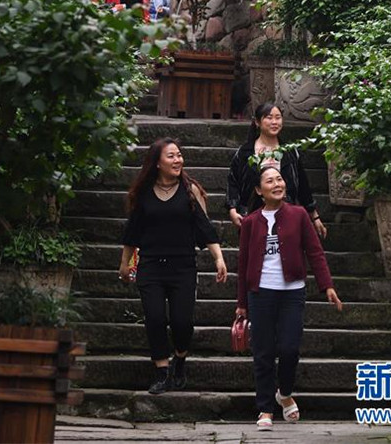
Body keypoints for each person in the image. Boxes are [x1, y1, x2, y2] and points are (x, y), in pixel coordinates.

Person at [236, 164, 343, 429]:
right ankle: (265, 409)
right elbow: (243, 264)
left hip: (292, 292)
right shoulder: (250, 222)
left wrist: (327, 285)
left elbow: (315, 252)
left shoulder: (299, 215)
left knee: (289, 348)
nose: (277, 184)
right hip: (260, 293)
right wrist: (241, 304)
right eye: (270, 181)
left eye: (280, 179)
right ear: (259, 190)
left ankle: (284, 393)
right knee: (263, 352)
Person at [118, 138, 227, 394]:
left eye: (179, 155)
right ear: (157, 162)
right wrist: (124, 264)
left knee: (182, 322)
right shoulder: (143, 193)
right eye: (171, 156)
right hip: (151, 266)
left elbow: (204, 226)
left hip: (183, 267)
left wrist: (219, 258)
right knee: (155, 318)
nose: (178, 160)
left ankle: (180, 358)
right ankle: (161, 371)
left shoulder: (190, 190)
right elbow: (132, 231)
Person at [226, 102, 327, 238]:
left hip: (286, 214)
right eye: (269, 117)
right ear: (257, 122)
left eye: (278, 117)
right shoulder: (245, 152)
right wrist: (232, 209)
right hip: (253, 213)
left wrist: (314, 216)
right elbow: (233, 181)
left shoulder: (289, 152)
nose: (274, 122)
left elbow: (303, 185)